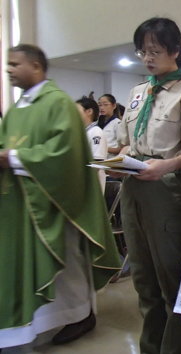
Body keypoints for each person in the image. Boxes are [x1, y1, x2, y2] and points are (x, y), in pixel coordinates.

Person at [0, 44, 120, 349]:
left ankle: (80, 314)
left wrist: (14, 157)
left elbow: (65, 153)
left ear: (36, 67)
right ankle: (39, 321)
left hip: (57, 201)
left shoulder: (58, 104)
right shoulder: (17, 108)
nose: (9, 70)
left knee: (65, 261)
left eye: (15, 64)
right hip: (23, 200)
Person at [116, 17, 181, 354]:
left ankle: (177, 349)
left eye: (154, 51)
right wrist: (124, 156)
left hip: (168, 189)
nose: (147, 58)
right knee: (143, 279)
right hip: (134, 187)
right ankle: (151, 347)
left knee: (172, 279)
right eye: (142, 52)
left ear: (175, 50)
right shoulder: (137, 93)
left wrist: (167, 165)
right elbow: (127, 141)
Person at [76, 97, 108, 193]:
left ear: (89, 111)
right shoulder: (84, 132)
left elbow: (96, 164)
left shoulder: (96, 132)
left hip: (91, 188)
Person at [98, 93, 121, 158]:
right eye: (100, 105)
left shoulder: (117, 123)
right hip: (100, 158)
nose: (101, 108)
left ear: (114, 106)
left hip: (111, 159)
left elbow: (123, 148)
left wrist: (103, 148)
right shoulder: (99, 123)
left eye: (105, 105)